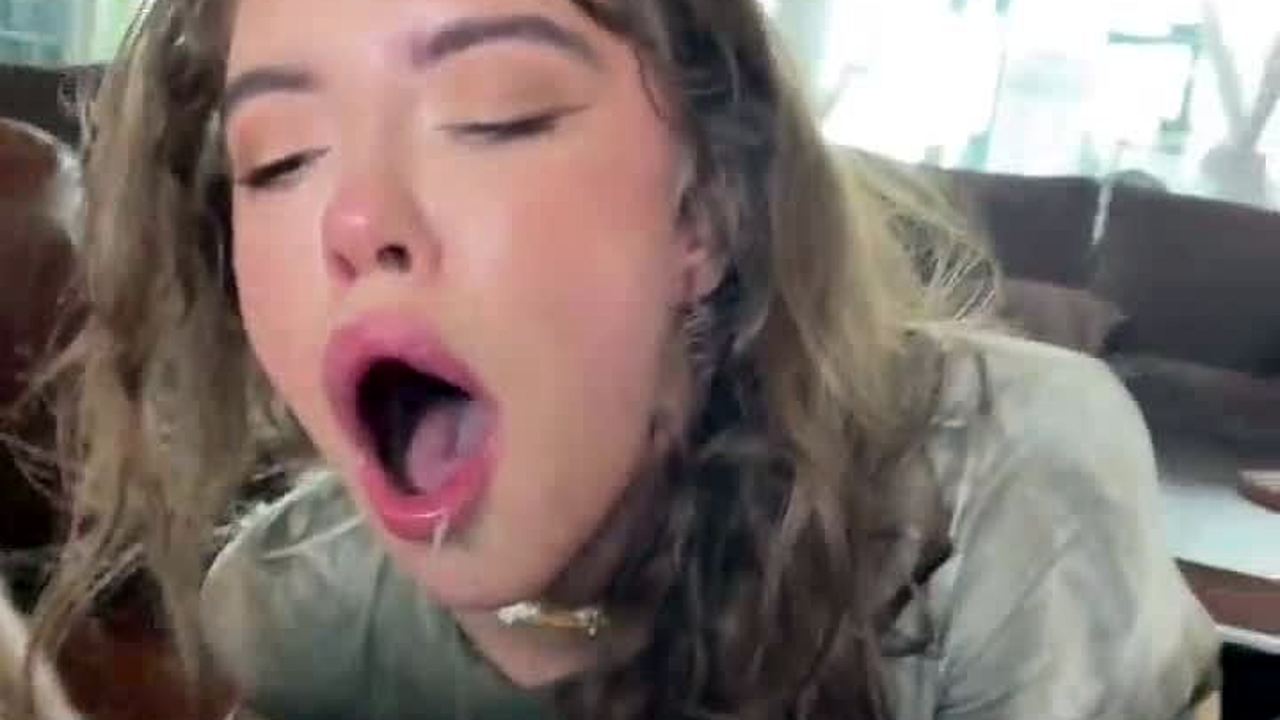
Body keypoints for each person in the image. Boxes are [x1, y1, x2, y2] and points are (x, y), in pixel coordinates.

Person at [13, 0, 1219, 718]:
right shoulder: (294, 612)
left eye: (493, 114)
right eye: (275, 159)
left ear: (705, 216)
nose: (353, 217)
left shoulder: (998, 493)